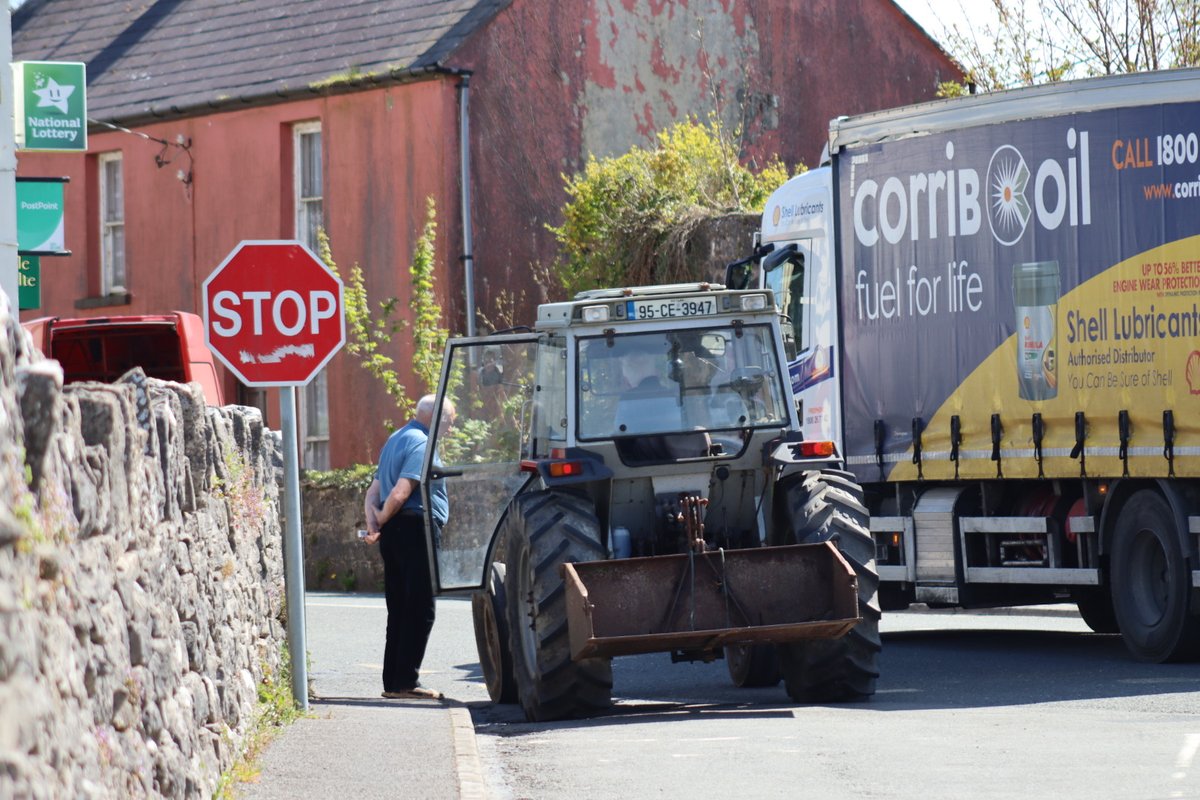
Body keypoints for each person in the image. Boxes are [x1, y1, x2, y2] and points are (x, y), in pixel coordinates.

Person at [363, 394, 455, 700]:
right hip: (416, 527)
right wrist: (384, 515)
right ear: (437, 418)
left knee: (399, 607)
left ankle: (394, 682)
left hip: (394, 532)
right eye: (450, 423)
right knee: (420, 607)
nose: (451, 430)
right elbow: (402, 492)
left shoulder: (396, 438)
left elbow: (373, 490)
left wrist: (375, 522)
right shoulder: (421, 442)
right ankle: (407, 682)